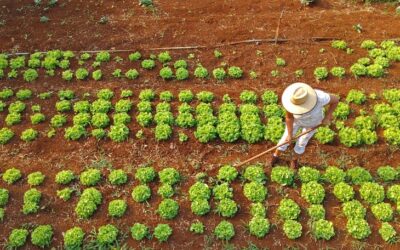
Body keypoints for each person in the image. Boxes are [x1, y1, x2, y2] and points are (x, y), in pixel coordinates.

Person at [270, 82, 339, 168]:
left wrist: (327, 117)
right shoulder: (291, 102)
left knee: (302, 143)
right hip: (297, 121)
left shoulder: (320, 98)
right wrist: (290, 134)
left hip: (313, 123)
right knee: (285, 139)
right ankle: (276, 155)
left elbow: (335, 100)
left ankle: (294, 160)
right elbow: (289, 118)